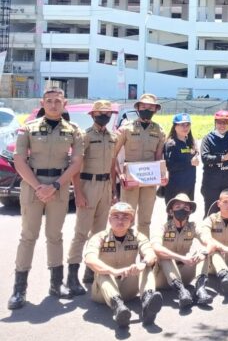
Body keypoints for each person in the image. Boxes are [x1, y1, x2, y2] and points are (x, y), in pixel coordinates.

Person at [7, 87, 85, 310]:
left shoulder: (73, 130)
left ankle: (56, 284)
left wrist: (55, 186)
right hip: (33, 186)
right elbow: (19, 161)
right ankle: (19, 290)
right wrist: (39, 187)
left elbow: (77, 162)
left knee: (55, 236)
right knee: (28, 236)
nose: (53, 105)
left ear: (65, 103)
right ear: (42, 103)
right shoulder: (28, 128)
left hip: (58, 187)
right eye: (49, 101)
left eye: (57, 101)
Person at [65, 99, 117, 296]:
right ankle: (72, 276)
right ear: (93, 115)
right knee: (81, 233)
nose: (104, 116)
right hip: (88, 185)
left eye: (107, 113)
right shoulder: (84, 136)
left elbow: (112, 165)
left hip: (105, 186)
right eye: (100, 113)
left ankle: (91, 271)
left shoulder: (112, 136)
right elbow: (75, 165)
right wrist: (77, 192)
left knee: (99, 233)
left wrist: (113, 191)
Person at [83, 202, 162, 328]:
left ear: (131, 220)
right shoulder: (99, 237)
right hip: (104, 293)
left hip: (129, 288)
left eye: (125, 217)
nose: (120, 220)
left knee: (147, 266)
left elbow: (151, 254)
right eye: (116, 216)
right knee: (102, 271)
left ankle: (148, 304)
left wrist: (142, 264)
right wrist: (113, 271)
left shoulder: (137, 236)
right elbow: (89, 259)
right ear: (109, 219)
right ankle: (118, 307)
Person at [112, 93, 166, 237]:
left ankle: (145, 253)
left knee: (145, 221)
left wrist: (162, 175)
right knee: (126, 218)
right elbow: (113, 154)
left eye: (150, 107)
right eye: (144, 107)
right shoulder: (126, 129)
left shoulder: (159, 130)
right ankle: (125, 253)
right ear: (138, 108)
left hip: (149, 180)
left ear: (155, 110)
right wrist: (120, 173)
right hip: (130, 179)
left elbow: (158, 156)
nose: (147, 109)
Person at [152, 193, 213, 308]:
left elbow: (210, 242)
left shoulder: (193, 226)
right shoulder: (163, 226)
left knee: (204, 252)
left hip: (185, 273)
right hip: (163, 277)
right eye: (177, 207)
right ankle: (181, 292)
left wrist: (203, 253)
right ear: (171, 211)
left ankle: (200, 290)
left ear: (190, 212)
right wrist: (181, 258)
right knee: (165, 256)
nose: (182, 209)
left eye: (185, 208)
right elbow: (156, 247)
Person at [200, 110, 228, 215]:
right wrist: (224, 157)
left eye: (225, 122)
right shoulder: (208, 139)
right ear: (215, 122)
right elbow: (205, 158)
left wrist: (224, 158)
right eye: (219, 122)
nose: (222, 125)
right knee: (211, 212)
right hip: (211, 182)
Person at [163, 113, 200, 203]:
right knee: (174, 215)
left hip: (189, 185)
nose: (185, 127)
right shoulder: (171, 144)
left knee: (187, 214)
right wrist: (190, 163)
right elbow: (169, 166)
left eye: (187, 124)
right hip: (175, 186)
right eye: (182, 125)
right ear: (175, 126)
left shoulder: (191, 142)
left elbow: (194, 156)